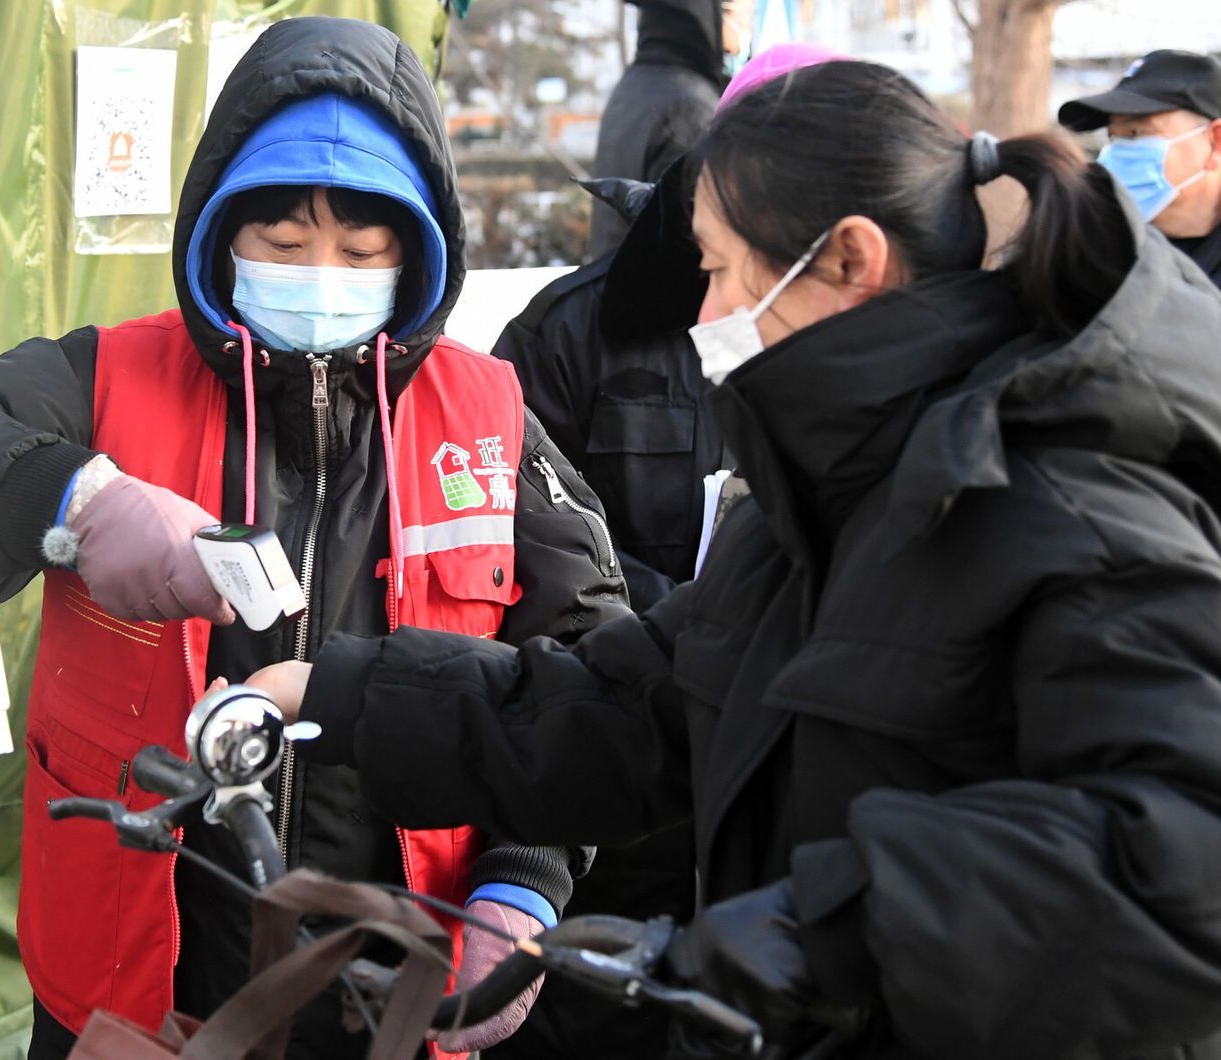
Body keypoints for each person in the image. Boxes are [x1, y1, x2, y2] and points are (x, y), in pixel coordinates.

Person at [251, 59, 1221, 1058]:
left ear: (850, 260)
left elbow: (1183, 862)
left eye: (713, 270)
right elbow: (642, 706)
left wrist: (812, 932)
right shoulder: (826, 498)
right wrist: (346, 689)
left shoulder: (1072, 503)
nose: (701, 319)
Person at [0, 17, 627, 1060]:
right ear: (222, 236)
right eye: (281, 243)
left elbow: (589, 659)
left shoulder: (484, 417)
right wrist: (75, 496)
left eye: (362, 250)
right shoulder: (114, 374)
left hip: (397, 998)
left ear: (417, 257)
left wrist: (523, 884)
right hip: (133, 995)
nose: (321, 273)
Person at [482, 45, 846, 1059]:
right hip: (612, 794)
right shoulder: (570, 330)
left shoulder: (867, 354)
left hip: (781, 847)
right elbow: (513, 543)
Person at [1059, 49, 1221, 287]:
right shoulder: (1084, 244)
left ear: (1215, 143)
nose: (1118, 153)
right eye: (1114, 137)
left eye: (1137, 133)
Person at [587, 0, 735, 257]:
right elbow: (691, 235)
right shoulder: (689, 103)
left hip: (613, 283)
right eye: (735, 12)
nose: (744, 25)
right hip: (654, 290)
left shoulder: (631, 87)